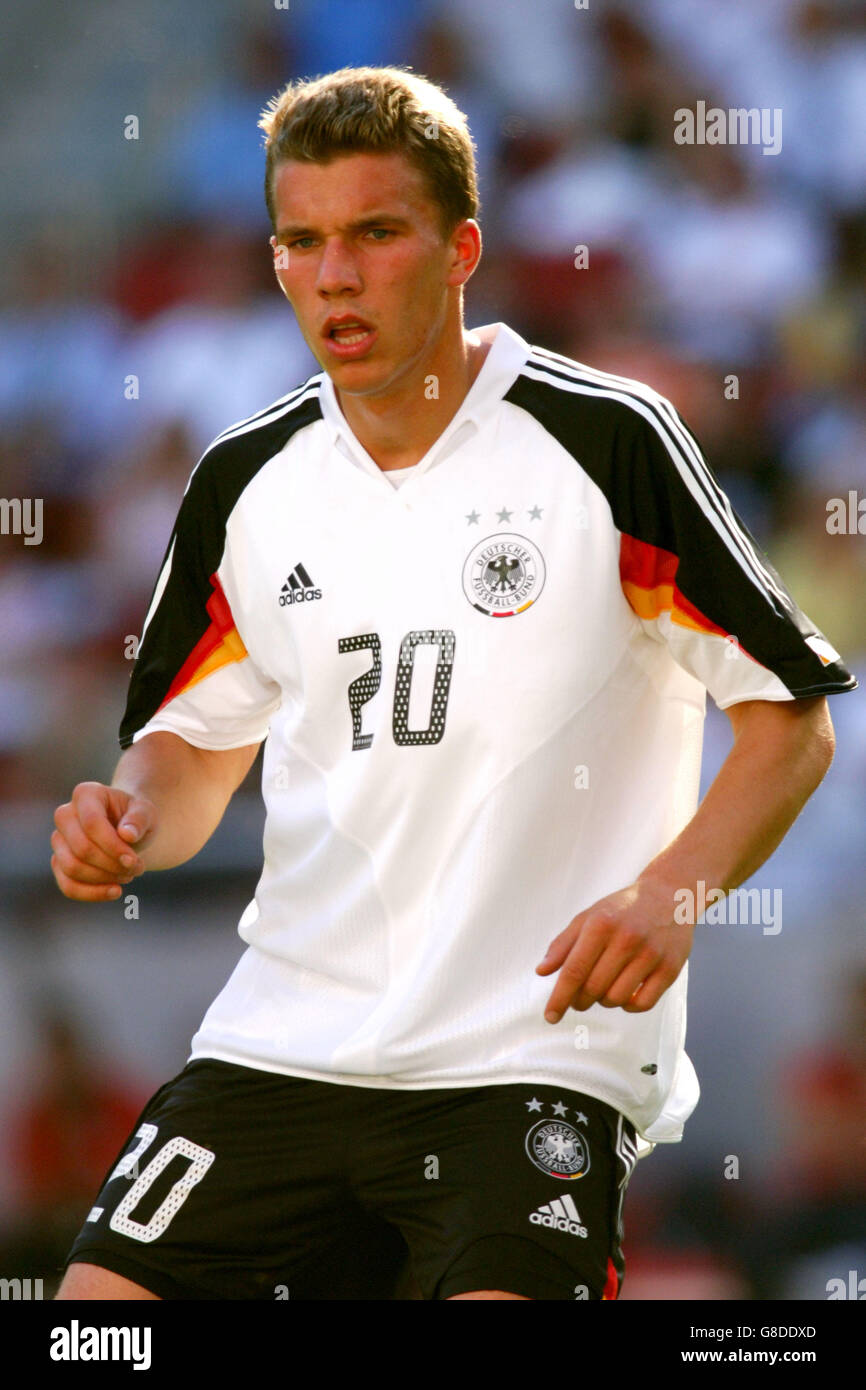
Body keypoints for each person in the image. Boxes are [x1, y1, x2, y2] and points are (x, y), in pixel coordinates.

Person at [51, 66, 856, 1301]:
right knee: (91, 1326)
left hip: (530, 1055)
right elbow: (194, 747)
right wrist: (130, 816)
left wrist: (670, 894)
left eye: (375, 233)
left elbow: (787, 721)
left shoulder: (607, 441)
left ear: (459, 247)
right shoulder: (244, 481)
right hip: (286, 1042)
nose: (334, 275)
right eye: (302, 241)